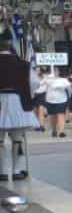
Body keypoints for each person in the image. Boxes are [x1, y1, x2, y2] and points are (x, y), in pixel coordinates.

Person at [0, 39, 33, 179]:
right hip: (17, 100)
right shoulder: (23, 64)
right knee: (17, 139)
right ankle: (16, 171)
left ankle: (1, 172)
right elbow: (33, 83)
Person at [40, 64, 72, 138]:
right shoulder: (48, 78)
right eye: (54, 70)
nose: (55, 72)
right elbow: (41, 84)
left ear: (59, 72)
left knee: (61, 114)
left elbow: (69, 88)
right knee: (52, 116)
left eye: (56, 71)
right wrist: (47, 78)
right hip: (50, 100)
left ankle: (61, 131)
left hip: (61, 99)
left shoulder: (63, 79)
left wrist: (69, 95)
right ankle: (54, 130)